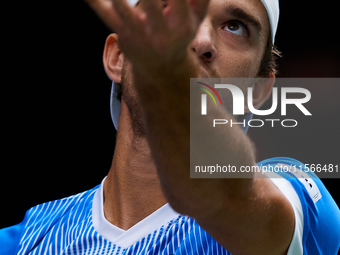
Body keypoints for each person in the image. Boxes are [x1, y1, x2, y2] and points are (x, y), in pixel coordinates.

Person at [1, 0, 340, 254]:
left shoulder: (296, 196)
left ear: (259, 90)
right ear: (118, 57)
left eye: (235, 26)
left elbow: (232, 197)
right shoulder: (25, 239)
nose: (201, 42)